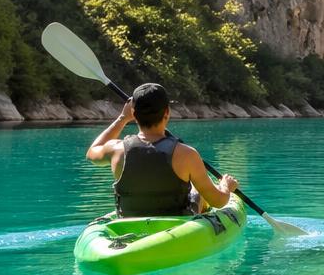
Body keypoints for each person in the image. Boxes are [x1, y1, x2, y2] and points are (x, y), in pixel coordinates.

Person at [86, 82, 238, 216]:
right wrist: (226, 186)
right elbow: (218, 202)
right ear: (167, 112)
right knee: (197, 190)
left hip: (129, 223)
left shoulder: (116, 150)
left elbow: (92, 151)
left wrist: (122, 118)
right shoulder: (187, 154)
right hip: (177, 227)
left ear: (133, 113)